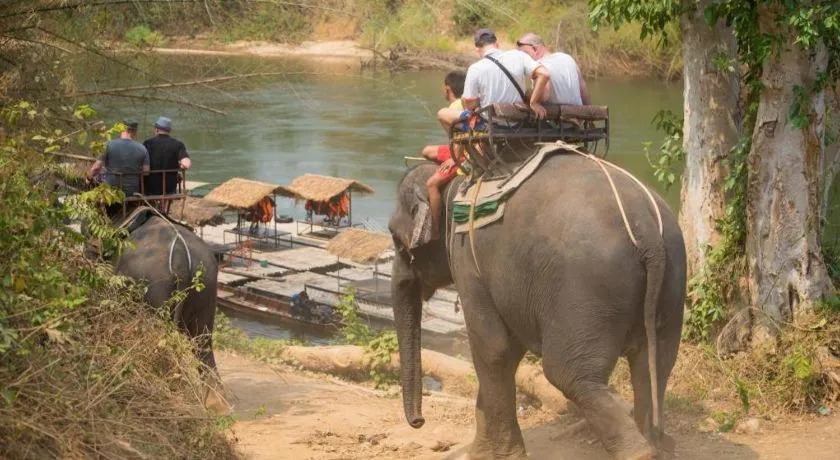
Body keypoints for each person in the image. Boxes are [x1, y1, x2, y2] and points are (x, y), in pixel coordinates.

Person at [427, 28, 551, 240]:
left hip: (491, 127)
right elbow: (544, 74)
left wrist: (476, 103)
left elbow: (469, 103)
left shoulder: (476, 68)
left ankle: (465, 156)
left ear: (478, 49)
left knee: (444, 114)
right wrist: (534, 102)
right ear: (498, 42)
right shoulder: (518, 56)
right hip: (519, 124)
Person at [86, 118, 150, 218]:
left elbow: (96, 168)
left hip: (111, 191)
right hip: (132, 191)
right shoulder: (142, 148)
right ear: (135, 132)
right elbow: (146, 172)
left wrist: (88, 178)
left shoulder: (108, 145)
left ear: (121, 129)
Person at [516, 32, 590, 105]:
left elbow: (544, 95)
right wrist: (590, 110)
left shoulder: (539, 66)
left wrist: (527, 95)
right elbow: (583, 91)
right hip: (579, 111)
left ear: (535, 49)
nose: (523, 59)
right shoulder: (567, 58)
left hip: (558, 113)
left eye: (524, 54)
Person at [143, 116, 191, 213]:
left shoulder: (147, 143)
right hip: (169, 187)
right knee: (172, 181)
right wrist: (181, 165)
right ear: (169, 130)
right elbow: (187, 164)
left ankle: (153, 210)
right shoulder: (178, 144)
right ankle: (163, 210)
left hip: (150, 186)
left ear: (156, 129)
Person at [420, 70, 466, 164]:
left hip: (462, 152)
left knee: (426, 151)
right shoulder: (465, 104)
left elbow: (460, 134)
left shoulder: (453, 109)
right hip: (466, 148)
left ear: (447, 89)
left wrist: (455, 157)